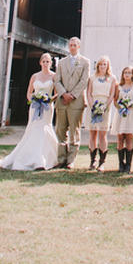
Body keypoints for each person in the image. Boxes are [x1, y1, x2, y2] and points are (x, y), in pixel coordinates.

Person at [0, 52, 59, 170]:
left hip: (47, 108)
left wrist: (49, 100)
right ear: (40, 63)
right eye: (43, 61)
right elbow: (29, 92)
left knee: (45, 129)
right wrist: (34, 100)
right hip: (35, 107)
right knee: (34, 130)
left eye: (48, 61)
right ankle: (35, 159)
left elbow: (57, 92)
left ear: (51, 63)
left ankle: (47, 158)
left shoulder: (54, 76)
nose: (45, 64)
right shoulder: (35, 76)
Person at [54, 36, 90, 169]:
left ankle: (71, 160)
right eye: (70, 45)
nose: (72, 47)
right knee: (60, 130)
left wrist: (72, 95)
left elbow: (84, 81)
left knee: (75, 130)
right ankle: (61, 158)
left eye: (75, 45)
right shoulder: (62, 62)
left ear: (79, 46)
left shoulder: (85, 62)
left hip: (76, 101)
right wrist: (63, 93)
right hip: (62, 100)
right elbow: (57, 80)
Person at [86, 55, 117, 171]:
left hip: (105, 106)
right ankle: (92, 161)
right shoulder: (92, 78)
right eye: (101, 64)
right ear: (97, 65)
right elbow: (88, 93)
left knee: (103, 134)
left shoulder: (112, 78)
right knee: (93, 133)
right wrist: (92, 105)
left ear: (108, 66)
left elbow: (112, 94)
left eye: (105, 64)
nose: (103, 66)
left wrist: (104, 106)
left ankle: (102, 162)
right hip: (93, 105)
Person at [113, 65, 133, 173]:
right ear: (123, 75)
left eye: (129, 72)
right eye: (125, 72)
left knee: (129, 137)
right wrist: (121, 107)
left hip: (130, 114)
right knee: (120, 138)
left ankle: (128, 165)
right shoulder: (118, 86)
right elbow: (115, 100)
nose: (127, 74)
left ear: (132, 75)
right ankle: (121, 163)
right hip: (120, 114)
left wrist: (129, 105)